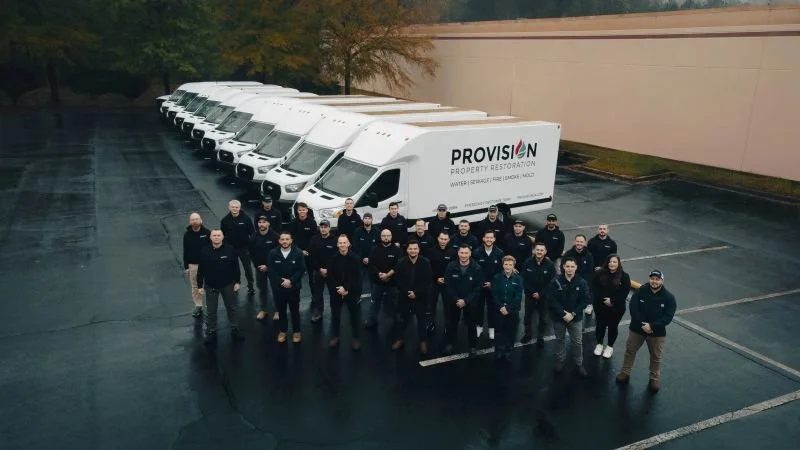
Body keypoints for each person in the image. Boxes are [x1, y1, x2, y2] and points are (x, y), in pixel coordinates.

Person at [616, 270, 676, 393]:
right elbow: (633, 308)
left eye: (657, 279)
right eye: (652, 279)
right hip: (637, 329)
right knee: (630, 351)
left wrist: (652, 326)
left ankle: (654, 378)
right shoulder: (640, 291)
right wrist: (642, 324)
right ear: (649, 279)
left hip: (656, 333)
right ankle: (625, 372)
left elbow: (668, 317)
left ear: (662, 281)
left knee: (656, 356)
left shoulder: (669, 297)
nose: (654, 281)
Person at [196, 229, 244, 344]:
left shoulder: (230, 249)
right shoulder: (204, 251)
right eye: (214, 235)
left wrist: (237, 282)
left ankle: (235, 329)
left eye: (218, 235)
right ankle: (211, 331)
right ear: (211, 237)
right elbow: (201, 270)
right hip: (211, 286)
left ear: (222, 237)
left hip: (228, 285)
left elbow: (235, 266)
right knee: (211, 311)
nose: (216, 237)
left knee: (232, 308)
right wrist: (199, 285)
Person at [546, 257, 590, 377]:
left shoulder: (582, 282)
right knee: (560, 340)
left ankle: (579, 363)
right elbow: (552, 299)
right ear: (563, 267)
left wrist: (573, 314)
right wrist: (563, 313)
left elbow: (584, 300)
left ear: (576, 268)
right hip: (559, 318)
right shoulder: (555, 281)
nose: (570, 269)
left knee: (577, 342)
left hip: (575, 318)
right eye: (567, 266)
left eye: (572, 266)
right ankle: (560, 361)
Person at [391, 240, 433, 355]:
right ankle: (400, 339)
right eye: (411, 249)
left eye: (415, 249)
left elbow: (428, 281)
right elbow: (397, 280)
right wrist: (407, 292)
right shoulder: (401, 262)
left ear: (419, 250)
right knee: (403, 320)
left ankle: (423, 342)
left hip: (421, 298)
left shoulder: (426, 262)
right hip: (405, 297)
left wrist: (417, 293)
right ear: (407, 250)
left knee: (421, 321)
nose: (413, 251)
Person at [443, 244, 484, 356]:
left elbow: (478, 287)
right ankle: (450, 344)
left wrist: (466, 301)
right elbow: (447, 284)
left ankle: (472, 347)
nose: (464, 255)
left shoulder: (476, 268)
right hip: (454, 301)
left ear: (470, 254)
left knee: (471, 325)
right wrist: (456, 299)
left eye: (466, 253)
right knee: (452, 324)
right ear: (458, 253)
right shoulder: (451, 266)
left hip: (470, 302)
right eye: (462, 253)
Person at [267, 231, 306, 344]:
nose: (284, 241)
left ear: (291, 240)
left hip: (293, 288)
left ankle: (296, 332)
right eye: (282, 239)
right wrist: (281, 282)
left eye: (287, 239)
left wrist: (291, 281)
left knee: (295, 311)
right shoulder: (272, 253)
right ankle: (283, 331)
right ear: (279, 241)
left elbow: (301, 269)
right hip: (278, 289)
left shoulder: (298, 253)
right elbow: (271, 270)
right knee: (281, 311)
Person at [327, 235, 363, 350]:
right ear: (337, 245)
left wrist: (346, 289)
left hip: (351, 292)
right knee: (335, 316)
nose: (342, 245)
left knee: (354, 316)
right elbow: (330, 277)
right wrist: (338, 289)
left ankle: (356, 338)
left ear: (348, 244)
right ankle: (335, 336)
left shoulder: (355, 259)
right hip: (336, 292)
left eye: (344, 242)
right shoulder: (332, 259)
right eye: (340, 243)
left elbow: (356, 277)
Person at [592, 254, 631, 359]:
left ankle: (609, 347)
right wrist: (604, 300)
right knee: (600, 325)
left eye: (614, 262)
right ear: (607, 262)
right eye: (610, 261)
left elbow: (624, 292)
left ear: (618, 264)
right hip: (600, 305)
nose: (612, 264)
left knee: (612, 327)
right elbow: (595, 288)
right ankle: (599, 344)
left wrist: (612, 300)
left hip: (616, 308)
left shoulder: (624, 276)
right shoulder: (599, 273)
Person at [521, 242, 556, 347]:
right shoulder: (527, 262)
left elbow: (552, 281)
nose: (539, 252)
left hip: (544, 297)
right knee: (527, 317)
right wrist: (533, 292)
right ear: (534, 251)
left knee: (543, 318)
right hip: (530, 295)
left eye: (542, 250)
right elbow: (524, 279)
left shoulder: (550, 265)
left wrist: (541, 293)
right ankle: (528, 334)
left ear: (545, 252)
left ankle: (540, 336)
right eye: (537, 250)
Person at [366, 229, 402, 329]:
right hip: (378, 282)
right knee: (374, 302)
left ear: (391, 237)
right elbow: (371, 264)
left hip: (392, 283)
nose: (386, 237)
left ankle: (397, 320)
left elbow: (398, 265)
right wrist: (379, 274)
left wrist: (388, 275)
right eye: (384, 236)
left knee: (394, 303)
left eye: (388, 235)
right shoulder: (374, 249)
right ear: (381, 237)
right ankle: (372, 320)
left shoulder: (397, 250)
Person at [491, 256, 524, 362]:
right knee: (499, 332)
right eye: (506, 264)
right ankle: (499, 351)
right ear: (502, 265)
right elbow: (494, 294)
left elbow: (518, 296)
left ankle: (508, 351)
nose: (508, 266)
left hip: (512, 311)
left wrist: (508, 308)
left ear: (514, 266)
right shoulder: (496, 277)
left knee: (511, 332)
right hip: (498, 310)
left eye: (510, 264)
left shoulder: (518, 279)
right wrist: (501, 306)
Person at [220, 200, 255, 295]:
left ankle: (251, 287)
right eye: (232, 207)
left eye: (236, 207)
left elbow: (252, 233)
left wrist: (251, 247)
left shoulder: (246, 219)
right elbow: (222, 235)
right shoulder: (225, 220)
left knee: (248, 268)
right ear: (229, 207)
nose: (234, 209)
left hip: (244, 248)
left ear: (239, 208)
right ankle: (235, 286)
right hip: (231, 250)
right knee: (233, 269)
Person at [474, 230, 504, 342]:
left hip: (493, 287)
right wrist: (481, 282)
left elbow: (501, 270)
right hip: (480, 287)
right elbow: (475, 270)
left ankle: (492, 329)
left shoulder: (500, 253)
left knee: (493, 309)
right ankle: (479, 328)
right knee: (479, 309)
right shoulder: (476, 252)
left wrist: (492, 283)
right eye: (487, 237)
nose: (489, 240)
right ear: (483, 238)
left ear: (494, 239)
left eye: (491, 238)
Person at [249, 214, 279, 321]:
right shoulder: (253, 237)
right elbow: (251, 254)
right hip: (260, 269)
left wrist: (268, 266)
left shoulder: (275, 236)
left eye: (264, 222)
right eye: (260, 222)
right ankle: (263, 309)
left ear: (268, 223)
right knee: (262, 290)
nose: (262, 224)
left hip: (274, 269)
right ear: (257, 224)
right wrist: (258, 266)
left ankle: (277, 310)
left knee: (276, 289)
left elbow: (278, 254)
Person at [427, 232, 457, 336]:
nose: (443, 241)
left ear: (448, 240)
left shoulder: (453, 252)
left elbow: (454, 269)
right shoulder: (431, 252)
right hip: (434, 283)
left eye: (445, 239)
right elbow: (428, 268)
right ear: (438, 239)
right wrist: (436, 278)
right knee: (431, 304)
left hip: (447, 284)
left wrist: (446, 279)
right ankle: (430, 323)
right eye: (441, 239)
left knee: (448, 306)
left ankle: (448, 326)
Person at [309, 219, 338, 323]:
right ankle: (318, 312)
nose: (323, 229)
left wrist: (328, 270)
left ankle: (335, 312)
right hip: (318, 271)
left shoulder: (335, 240)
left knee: (333, 293)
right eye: (321, 227)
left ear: (329, 228)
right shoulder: (314, 239)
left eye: (325, 227)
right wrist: (319, 269)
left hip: (332, 272)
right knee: (318, 293)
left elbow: (336, 257)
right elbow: (312, 257)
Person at [183, 212, 210, 319]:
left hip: (206, 263)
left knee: (208, 284)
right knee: (195, 286)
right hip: (193, 264)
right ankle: (198, 305)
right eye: (193, 219)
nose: (195, 221)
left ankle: (210, 304)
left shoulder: (207, 232)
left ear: (201, 220)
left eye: (197, 219)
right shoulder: (187, 234)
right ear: (190, 222)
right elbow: (186, 250)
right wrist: (186, 266)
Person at [288, 202, 318, 296]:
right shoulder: (294, 223)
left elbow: (315, 238)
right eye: (300, 210)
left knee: (312, 277)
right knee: (296, 276)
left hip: (310, 254)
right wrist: (300, 251)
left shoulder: (312, 222)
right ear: (297, 211)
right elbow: (291, 239)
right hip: (297, 253)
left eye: (303, 210)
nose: (302, 211)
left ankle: (315, 296)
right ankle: (295, 297)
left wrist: (307, 251)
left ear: (307, 210)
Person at [562, 235, 595, 316]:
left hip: (583, 280)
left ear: (584, 243)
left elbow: (590, 270)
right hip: (569, 279)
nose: (579, 243)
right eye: (577, 241)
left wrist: (583, 281)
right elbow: (562, 267)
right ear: (574, 242)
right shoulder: (568, 254)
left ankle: (589, 305)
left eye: (581, 242)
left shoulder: (588, 255)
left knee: (587, 293)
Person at [352, 212, 380, 291]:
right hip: (361, 260)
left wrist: (370, 258)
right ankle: (358, 296)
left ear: (372, 220)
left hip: (373, 260)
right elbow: (355, 246)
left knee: (374, 280)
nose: (367, 220)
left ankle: (374, 297)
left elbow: (378, 246)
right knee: (359, 279)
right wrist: (363, 258)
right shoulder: (358, 231)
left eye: (369, 218)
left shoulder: (377, 231)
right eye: (366, 218)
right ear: (363, 220)